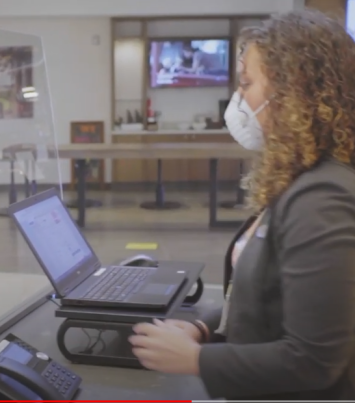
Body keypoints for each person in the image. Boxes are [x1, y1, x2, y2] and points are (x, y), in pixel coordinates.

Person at [129, 10, 355, 400]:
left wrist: (197, 360)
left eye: (247, 83)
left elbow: (314, 361)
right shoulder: (302, 178)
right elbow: (270, 298)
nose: (239, 99)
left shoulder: (322, 199)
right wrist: (205, 329)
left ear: (293, 89)